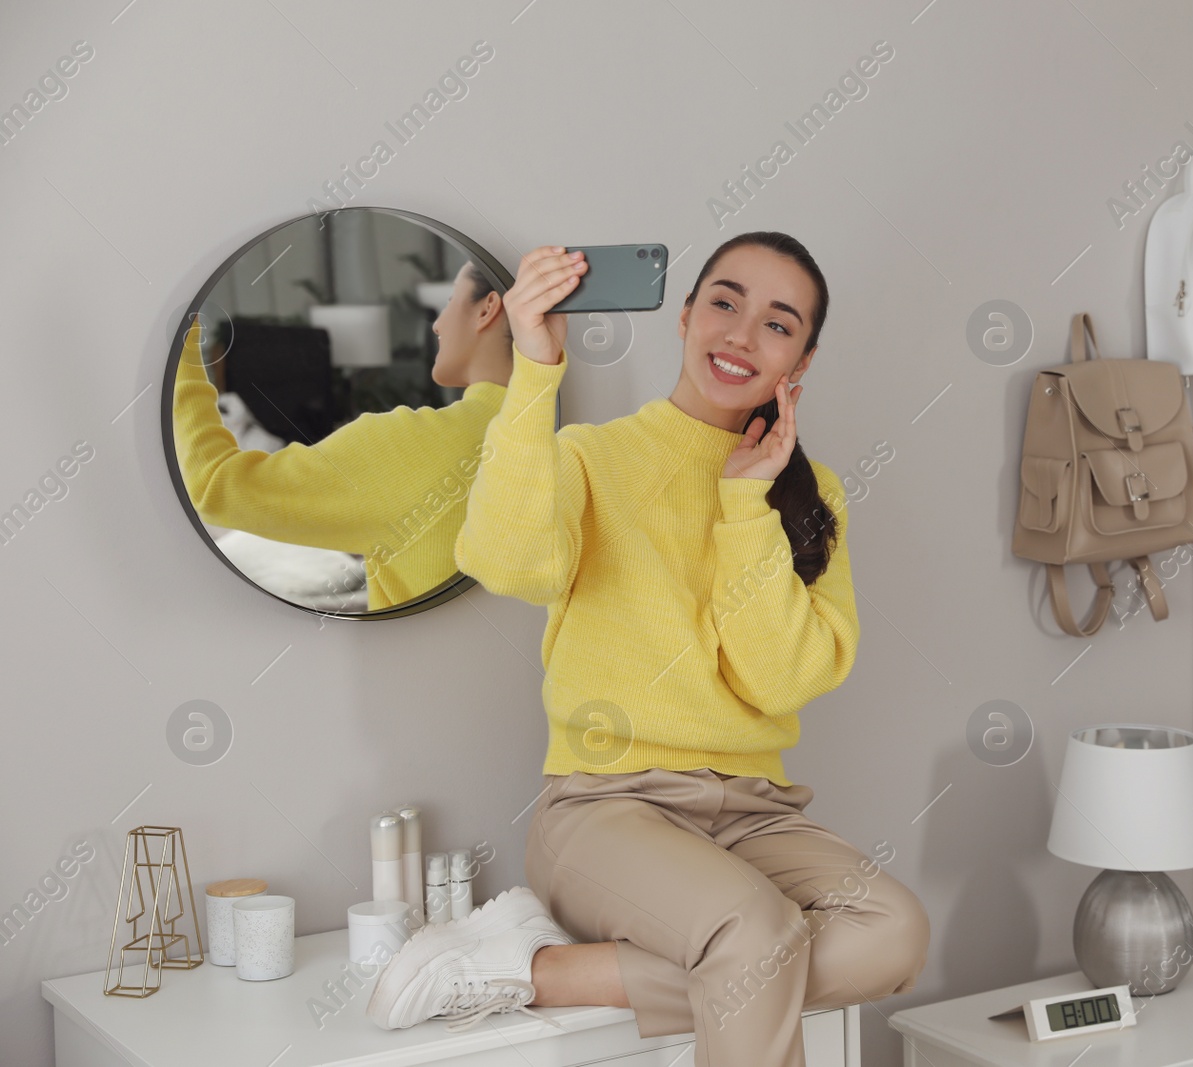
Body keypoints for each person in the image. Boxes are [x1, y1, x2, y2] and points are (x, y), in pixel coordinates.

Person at [365, 233, 931, 1064]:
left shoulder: (811, 494)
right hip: (603, 810)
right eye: (725, 303)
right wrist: (535, 370)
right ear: (685, 315)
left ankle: (547, 971)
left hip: (753, 815)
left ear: (800, 361)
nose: (740, 335)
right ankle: (587, 962)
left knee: (895, 932)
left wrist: (743, 503)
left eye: (777, 325)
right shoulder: (592, 456)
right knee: (761, 933)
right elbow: (506, 560)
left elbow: (779, 678)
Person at [171, 260, 512, 611]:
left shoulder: (407, 446)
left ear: (487, 309)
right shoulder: (562, 430)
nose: (437, 325)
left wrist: (179, 345)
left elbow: (214, 487)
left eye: (451, 301)